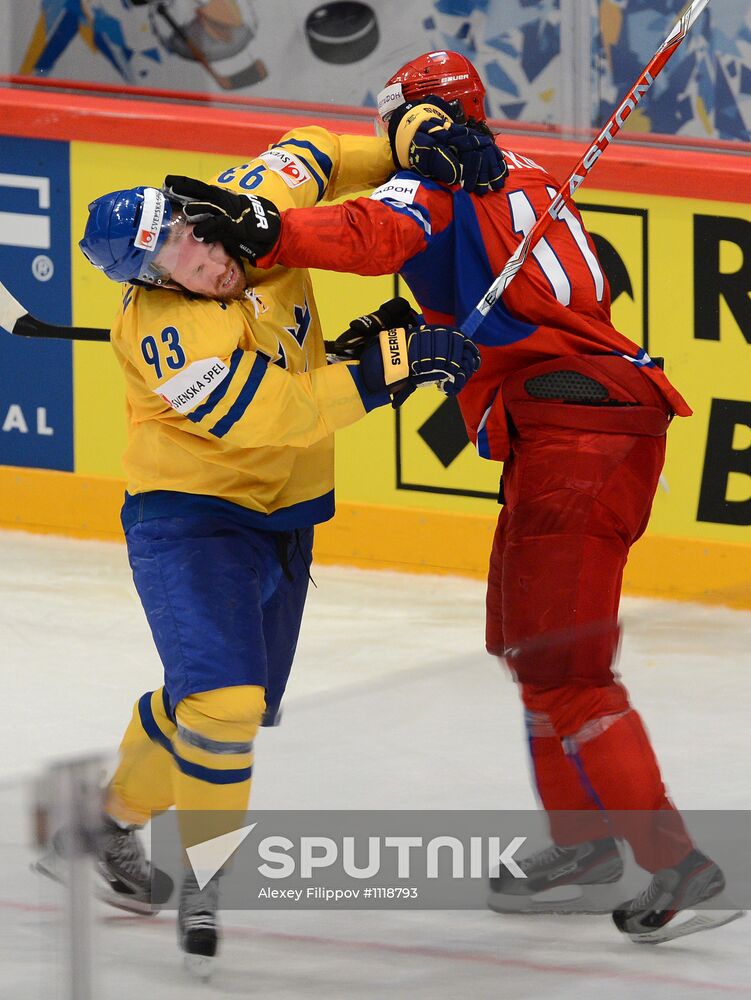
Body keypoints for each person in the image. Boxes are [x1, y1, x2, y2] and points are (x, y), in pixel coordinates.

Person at [186, 50, 741, 944]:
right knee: (530, 645)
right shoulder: (527, 178)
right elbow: (522, 293)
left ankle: (676, 861)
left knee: (566, 671)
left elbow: (373, 234)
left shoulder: (438, 178)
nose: (385, 131)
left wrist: (268, 231)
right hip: (580, 427)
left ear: (422, 118)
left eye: (396, 117)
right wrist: (423, 324)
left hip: (575, 437)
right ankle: (586, 844)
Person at [36, 119, 484, 978]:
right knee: (226, 706)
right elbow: (271, 419)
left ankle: (102, 825)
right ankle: (209, 886)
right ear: (152, 282)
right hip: (191, 515)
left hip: (285, 517)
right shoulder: (168, 337)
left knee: (216, 709)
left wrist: (409, 142)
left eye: (187, 231)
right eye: (174, 260)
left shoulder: (245, 207)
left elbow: (314, 151)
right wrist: (378, 368)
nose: (203, 257)